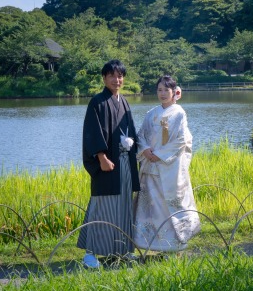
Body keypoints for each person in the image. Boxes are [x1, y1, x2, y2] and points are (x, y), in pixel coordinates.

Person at [77, 59, 140, 268]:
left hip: (124, 164)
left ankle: (122, 250)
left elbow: (131, 130)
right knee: (102, 207)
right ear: (104, 78)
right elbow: (92, 133)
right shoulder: (98, 102)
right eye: (112, 75)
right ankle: (90, 254)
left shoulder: (124, 102)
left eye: (120, 75)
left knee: (123, 207)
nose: (117, 80)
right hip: (106, 164)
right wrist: (101, 157)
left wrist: (132, 143)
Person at [134, 76, 201, 251]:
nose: (163, 93)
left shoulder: (179, 113)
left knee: (168, 204)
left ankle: (173, 244)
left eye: (166, 90)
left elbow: (181, 140)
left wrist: (160, 154)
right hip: (151, 166)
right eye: (159, 90)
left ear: (174, 93)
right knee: (153, 206)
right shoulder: (151, 114)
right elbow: (140, 136)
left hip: (168, 167)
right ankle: (151, 243)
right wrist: (145, 150)